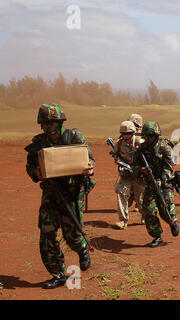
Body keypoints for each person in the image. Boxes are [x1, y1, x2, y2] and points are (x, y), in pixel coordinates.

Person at [24, 103, 94, 289]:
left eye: (53, 122)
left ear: (61, 122)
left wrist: (90, 167)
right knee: (47, 234)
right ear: (41, 124)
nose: (49, 126)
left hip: (72, 192)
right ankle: (58, 274)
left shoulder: (74, 137)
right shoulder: (38, 142)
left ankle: (82, 248)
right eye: (46, 123)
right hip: (50, 193)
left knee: (72, 235)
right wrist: (36, 173)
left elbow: (89, 158)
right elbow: (30, 166)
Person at [132, 121, 179, 248]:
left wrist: (162, 180)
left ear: (156, 136)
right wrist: (141, 170)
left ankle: (172, 221)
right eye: (145, 136)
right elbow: (133, 166)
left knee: (166, 208)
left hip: (164, 183)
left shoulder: (165, 147)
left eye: (150, 136)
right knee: (149, 211)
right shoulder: (141, 150)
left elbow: (170, 166)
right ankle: (157, 236)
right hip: (150, 184)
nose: (147, 139)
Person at [113, 121, 146, 230]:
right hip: (126, 174)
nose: (126, 136)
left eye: (128, 133)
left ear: (133, 133)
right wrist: (118, 160)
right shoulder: (119, 143)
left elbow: (147, 159)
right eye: (124, 133)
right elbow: (116, 155)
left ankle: (144, 215)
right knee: (121, 192)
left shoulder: (140, 142)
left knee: (140, 199)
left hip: (139, 175)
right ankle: (123, 220)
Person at [127, 114, 144, 212]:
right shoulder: (127, 132)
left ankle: (138, 204)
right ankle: (133, 197)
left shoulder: (142, 135)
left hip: (139, 163)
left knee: (141, 185)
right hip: (129, 162)